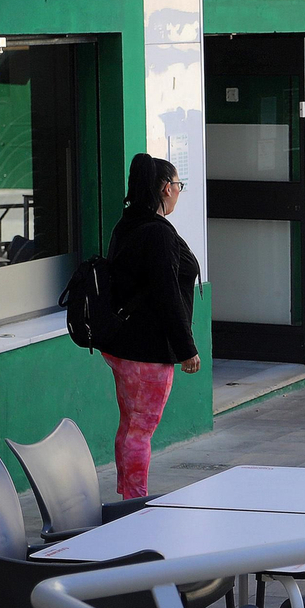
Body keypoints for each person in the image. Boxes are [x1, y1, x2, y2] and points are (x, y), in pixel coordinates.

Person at [102, 152, 200, 498]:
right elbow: (167, 293)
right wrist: (187, 349)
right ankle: (135, 502)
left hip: (122, 344)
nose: (178, 192)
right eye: (177, 185)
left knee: (130, 425)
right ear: (163, 188)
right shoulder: (156, 233)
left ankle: (127, 496)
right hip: (145, 350)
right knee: (140, 429)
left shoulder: (127, 223)